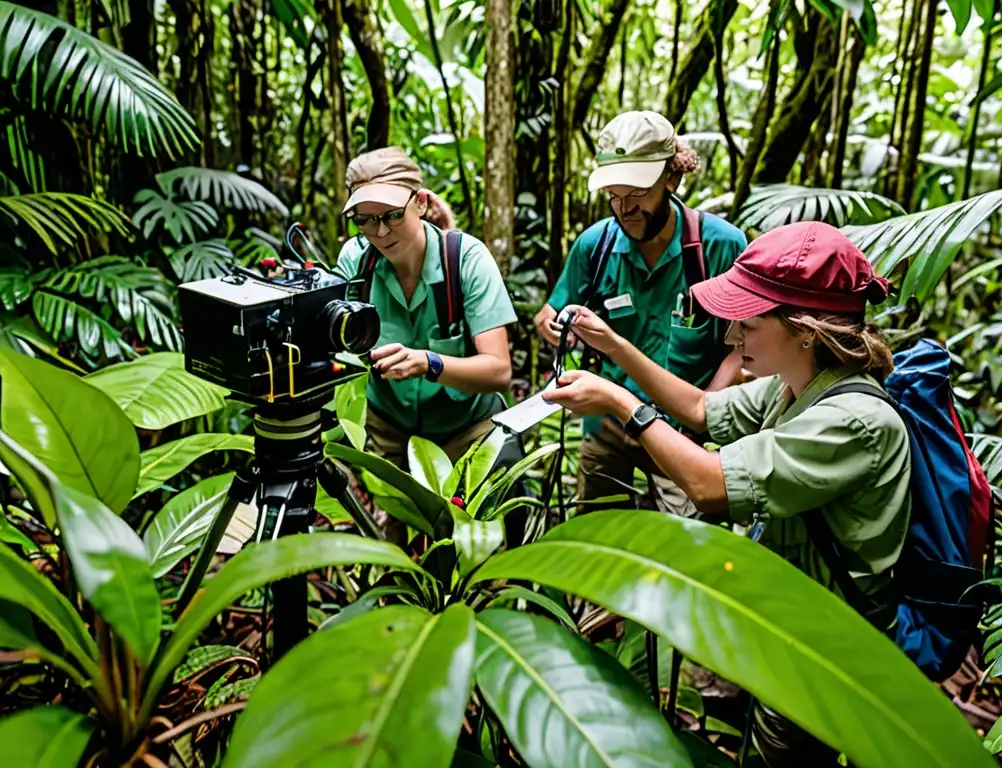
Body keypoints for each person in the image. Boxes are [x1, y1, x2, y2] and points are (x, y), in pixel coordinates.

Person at [543, 221, 911, 767]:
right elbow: (697, 409)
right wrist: (615, 348)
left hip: (826, 649)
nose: (732, 337)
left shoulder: (854, 420)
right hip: (784, 626)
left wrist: (624, 405)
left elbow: (708, 484)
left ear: (805, 329)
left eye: (749, 324)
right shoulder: (793, 385)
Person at [533, 110, 747, 517]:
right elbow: (547, 315)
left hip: (683, 428)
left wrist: (708, 409)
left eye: (636, 191)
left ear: (671, 177)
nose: (624, 206)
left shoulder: (719, 246)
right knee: (595, 537)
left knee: (689, 544)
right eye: (614, 193)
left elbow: (744, 343)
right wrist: (559, 327)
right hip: (606, 420)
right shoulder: (594, 246)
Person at [335, 146, 518, 478]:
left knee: (472, 526)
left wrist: (429, 363)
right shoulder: (356, 262)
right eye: (364, 220)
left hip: (466, 429)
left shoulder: (465, 260)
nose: (380, 232)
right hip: (389, 430)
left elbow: (498, 371)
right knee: (394, 526)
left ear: (420, 202)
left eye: (392, 215)